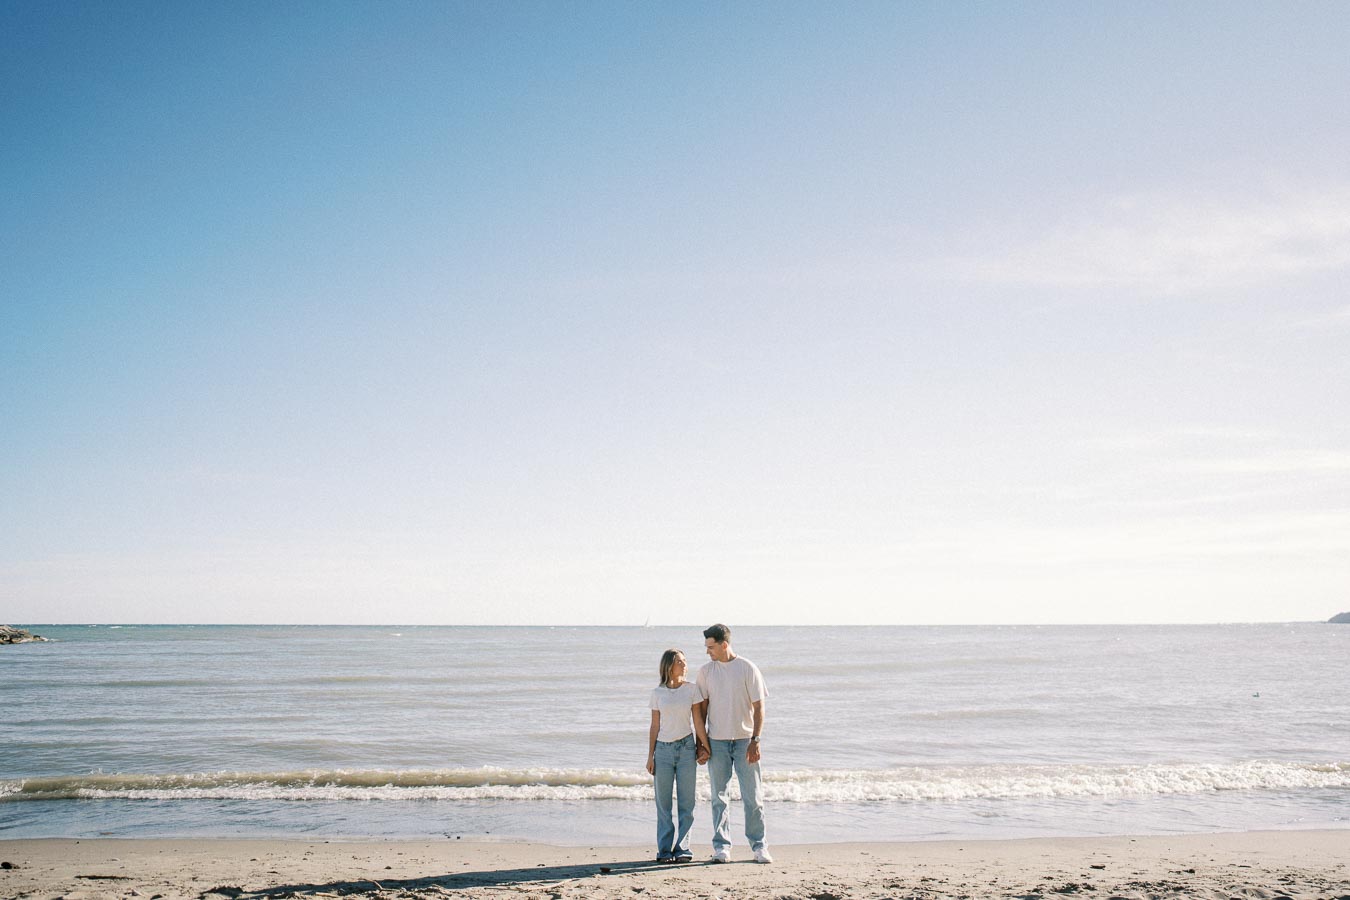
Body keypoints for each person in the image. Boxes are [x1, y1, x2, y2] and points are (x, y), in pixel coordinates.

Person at [696, 623, 771, 864]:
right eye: (707, 647)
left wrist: (755, 740)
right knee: (719, 797)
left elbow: (759, 708)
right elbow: (702, 710)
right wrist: (703, 743)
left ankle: (759, 846)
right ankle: (722, 848)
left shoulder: (747, 668)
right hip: (717, 742)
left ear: (724, 644)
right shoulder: (706, 672)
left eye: (711, 647)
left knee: (753, 796)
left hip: (744, 742)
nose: (708, 651)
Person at [646, 648, 710, 863]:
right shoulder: (658, 693)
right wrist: (650, 756)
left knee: (687, 803)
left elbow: (698, 721)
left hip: (686, 749)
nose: (684, 665)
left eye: (685, 661)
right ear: (669, 666)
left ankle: (682, 849)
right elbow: (654, 726)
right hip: (662, 751)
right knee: (663, 804)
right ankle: (664, 851)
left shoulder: (691, 690)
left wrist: (705, 746)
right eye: (680, 662)